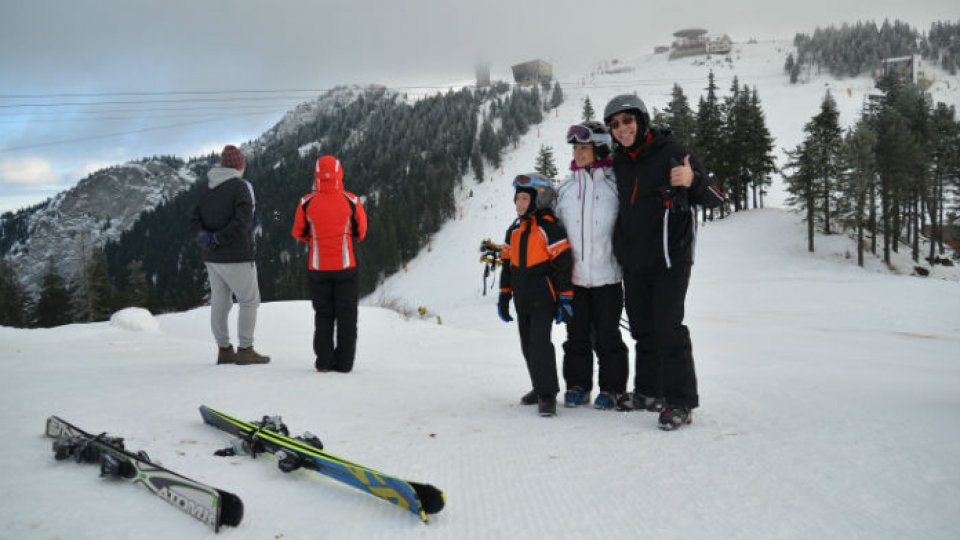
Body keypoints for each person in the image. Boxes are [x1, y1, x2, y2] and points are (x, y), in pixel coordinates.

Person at [603, 94, 724, 431]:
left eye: (627, 120)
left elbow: (716, 196)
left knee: (668, 327)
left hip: (670, 259)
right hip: (635, 260)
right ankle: (648, 391)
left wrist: (693, 181)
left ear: (642, 120)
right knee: (642, 329)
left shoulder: (672, 152)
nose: (622, 128)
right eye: (615, 124)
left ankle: (680, 401)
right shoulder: (621, 162)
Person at [554, 121, 630, 410]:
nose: (578, 153)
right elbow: (555, 232)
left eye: (584, 147)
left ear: (599, 149)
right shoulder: (566, 189)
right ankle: (578, 385)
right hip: (575, 279)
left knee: (608, 336)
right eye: (575, 148)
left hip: (608, 277)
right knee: (576, 337)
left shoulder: (615, 184)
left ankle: (612, 389)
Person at [497, 173, 574, 417]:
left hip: (543, 296)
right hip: (522, 298)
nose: (519, 204)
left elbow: (563, 265)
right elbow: (508, 266)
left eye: (524, 199)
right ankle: (538, 386)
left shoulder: (549, 228)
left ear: (539, 199)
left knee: (540, 344)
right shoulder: (514, 230)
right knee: (527, 345)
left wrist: (565, 297)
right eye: (517, 199)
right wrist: (504, 296)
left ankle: (548, 394)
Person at [191, 144, 270, 365]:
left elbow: (195, 220)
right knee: (249, 300)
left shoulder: (206, 188)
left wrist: (205, 238)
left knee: (220, 302)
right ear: (239, 165)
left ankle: (224, 350)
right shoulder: (240, 187)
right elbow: (242, 223)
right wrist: (219, 238)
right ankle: (245, 350)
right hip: (237, 255)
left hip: (211, 258)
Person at [292, 155, 367, 373]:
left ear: (316, 175)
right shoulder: (351, 200)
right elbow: (360, 232)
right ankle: (344, 364)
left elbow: (298, 231)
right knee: (347, 315)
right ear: (339, 174)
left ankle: (324, 362)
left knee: (323, 314)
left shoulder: (306, 202)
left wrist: (315, 241)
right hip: (346, 266)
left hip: (317, 268)